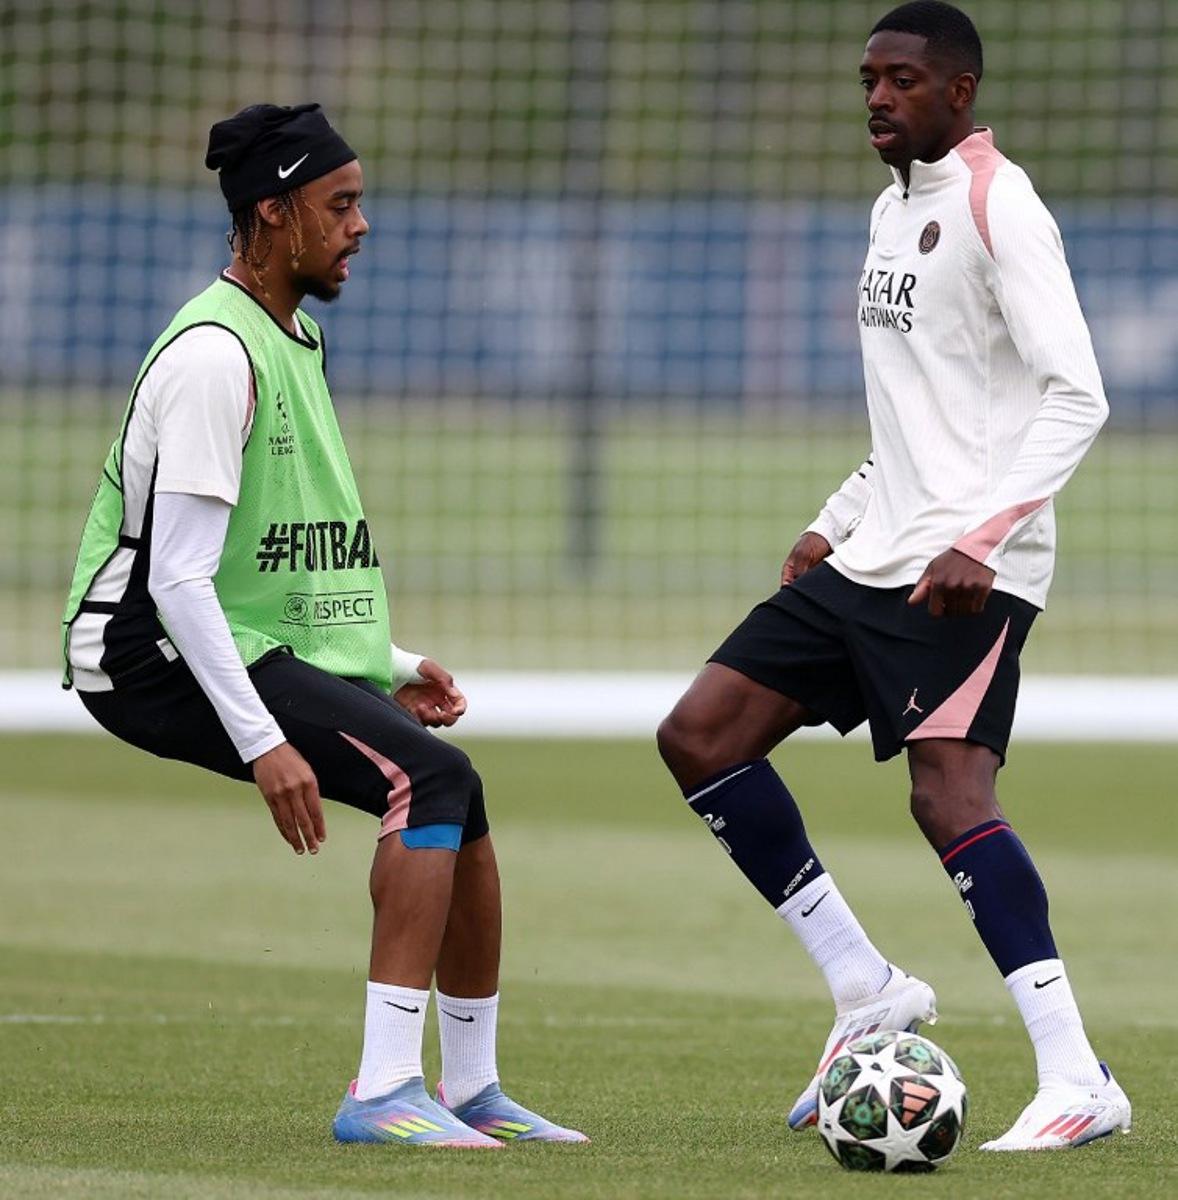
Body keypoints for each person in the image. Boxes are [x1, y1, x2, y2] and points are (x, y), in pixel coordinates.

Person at [61, 103, 586, 1150]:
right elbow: (176, 579)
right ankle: (384, 1089)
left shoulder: (295, 335)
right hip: (142, 650)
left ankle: (471, 1089)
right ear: (271, 214)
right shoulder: (215, 356)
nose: (360, 224)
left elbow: (270, 559)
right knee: (422, 781)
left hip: (227, 633)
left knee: (456, 789)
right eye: (338, 204)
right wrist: (265, 744)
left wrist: (383, 663)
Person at [657, 1, 1131, 1152]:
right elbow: (919, 413)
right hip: (874, 553)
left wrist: (983, 536)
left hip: (966, 572)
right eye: (867, 77)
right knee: (700, 735)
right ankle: (865, 986)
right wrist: (831, 522)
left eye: (901, 79)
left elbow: (1077, 393)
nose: (876, 96)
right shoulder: (889, 208)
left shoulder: (995, 203)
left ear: (957, 91)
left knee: (946, 796)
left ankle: (1076, 1076)